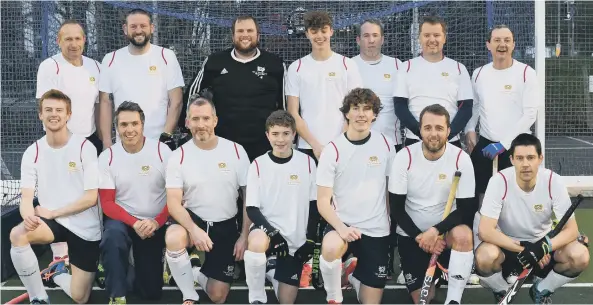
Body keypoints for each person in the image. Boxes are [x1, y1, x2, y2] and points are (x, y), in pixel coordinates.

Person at [475, 133, 590, 304]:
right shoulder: (499, 181)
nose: (526, 164)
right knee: (484, 257)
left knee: (580, 255)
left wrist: (543, 248)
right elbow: (485, 230)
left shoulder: (553, 181)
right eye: (520, 158)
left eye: (531, 157)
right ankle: (502, 290)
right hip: (509, 247)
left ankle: (542, 289)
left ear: (540, 158)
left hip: (543, 249)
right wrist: (524, 248)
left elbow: (572, 230)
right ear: (512, 159)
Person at [10, 89, 100, 304]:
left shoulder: (85, 148)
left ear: (68, 115)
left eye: (59, 110)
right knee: (17, 234)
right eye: (48, 109)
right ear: (40, 114)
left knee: (80, 297)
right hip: (51, 223)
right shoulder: (33, 152)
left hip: (84, 226)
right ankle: (38, 298)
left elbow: (91, 198)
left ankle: (57, 273)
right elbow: (25, 199)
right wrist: (28, 216)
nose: (54, 114)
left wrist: (53, 212)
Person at [164, 92, 251, 305]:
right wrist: (194, 230)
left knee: (218, 295)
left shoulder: (236, 151)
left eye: (205, 118)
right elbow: (173, 203)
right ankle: (189, 295)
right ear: (187, 122)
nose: (201, 124)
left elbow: (250, 198)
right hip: (193, 222)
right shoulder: (178, 156)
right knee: (174, 236)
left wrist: (244, 236)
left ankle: (192, 271)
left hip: (226, 225)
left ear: (215, 120)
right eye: (195, 119)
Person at [388, 104, 476, 304]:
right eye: (428, 128)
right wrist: (421, 237)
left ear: (448, 131)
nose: (433, 134)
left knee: (463, 234)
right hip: (412, 237)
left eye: (439, 128)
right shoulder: (404, 158)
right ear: (420, 130)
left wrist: (436, 231)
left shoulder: (461, 159)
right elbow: (396, 209)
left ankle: (454, 300)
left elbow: (466, 210)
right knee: (424, 300)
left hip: (446, 237)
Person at [35, 19, 102, 265]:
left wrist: (103, 140)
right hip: (61, 143)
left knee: (91, 197)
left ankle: (94, 248)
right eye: (68, 39)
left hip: (91, 141)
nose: (73, 44)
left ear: (85, 40)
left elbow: (99, 106)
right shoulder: (49, 67)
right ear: (58, 41)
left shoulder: (96, 66)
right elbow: (46, 108)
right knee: (56, 195)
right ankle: (59, 259)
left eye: (78, 38)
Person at [316, 88, 392, 304]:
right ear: (346, 114)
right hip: (343, 227)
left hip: (377, 231)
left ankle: (354, 277)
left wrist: (389, 226)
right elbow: (323, 202)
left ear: (375, 115)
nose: (361, 114)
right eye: (355, 108)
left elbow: (389, 192)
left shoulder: (386, 145)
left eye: (367, 109)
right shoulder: (333, 150)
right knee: (331, 247)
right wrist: (341, 228)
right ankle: (334, 297)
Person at [181, 15, 286, 162]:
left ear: (258, 35)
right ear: (233, 36)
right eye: (240, 31)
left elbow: (284, 104)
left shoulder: (275, 64)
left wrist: (285, 136)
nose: (245, 35)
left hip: (264, 144)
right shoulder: (215, 61)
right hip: (224, 143)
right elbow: (192, 94)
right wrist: (186, 127)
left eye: (250, 30)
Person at [98, 101, 172, 304]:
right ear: (116, 127)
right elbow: (107, 203)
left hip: (154, 223)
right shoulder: (107, 157)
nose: (129, 130)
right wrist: (134, 223)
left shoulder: (162, 152)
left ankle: (133, 264)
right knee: (112, 237)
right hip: (123, 221)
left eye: (134, 123)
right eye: (123, 125)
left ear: (143, 124)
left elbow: (175, 197)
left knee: (150, 292)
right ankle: (117, 295)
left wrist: (156, 222)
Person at [244, 110, 317, 304]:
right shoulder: (258, 164)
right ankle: (257, 298)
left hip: (294, 240)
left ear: (294, 134)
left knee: (286, 300)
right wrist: (273, 234)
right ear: (267, 135)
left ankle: (272, 269)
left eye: (286, 133)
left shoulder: (308, 163)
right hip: (267, 232)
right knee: (257, 243)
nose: (280, 139)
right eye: (275, 134)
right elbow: (252, 208)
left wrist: (310, 240)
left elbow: (314, 206)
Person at [352, 17, 404, 284]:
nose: (371, 40)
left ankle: (389, 257)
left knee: (390, 202)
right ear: (358, 40)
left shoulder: (397, 66)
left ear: (382, 39)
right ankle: (356, 256)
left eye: (375, 35)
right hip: (358, 147)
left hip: (390, 146)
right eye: (366, 36)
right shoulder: (348, 66)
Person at [465, 25, 539, 202]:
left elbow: (530, 114)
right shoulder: (479, 73)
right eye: (497, 40)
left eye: (507, 40)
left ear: (513, 44)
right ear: (488, 45)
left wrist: (503, 144)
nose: (502, 45)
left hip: (517, 146)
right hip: (485, 145)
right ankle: (482, 229)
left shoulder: (526, 73)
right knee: (482, 194)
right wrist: (469, 130)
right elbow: (474, 107)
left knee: (515, 197)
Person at [99, 8, 184, 151]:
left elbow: (176, 101)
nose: (138, 30)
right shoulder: (110, 59)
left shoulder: (166, 56)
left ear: (151, 28)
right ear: (125, 29)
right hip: (124, 144)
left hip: (158, 143)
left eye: (143, 26)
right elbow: (105, 102)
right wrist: (107, 141)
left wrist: (166, 135)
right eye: (133, 26)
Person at [285, 10, 363, 162]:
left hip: (343, 145)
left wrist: (339, 143)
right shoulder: (296, 67)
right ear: (307, 34)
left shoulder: (347, 65)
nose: (319, 36)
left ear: (331, 31)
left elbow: (356, 106)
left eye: (324, 31)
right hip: (308, 147)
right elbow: (293, 112)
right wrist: (315, 145)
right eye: (314, 32)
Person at [394, 16, 473, 148]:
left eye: (436, 35)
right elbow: (400, 106)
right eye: (426, 35)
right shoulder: (406, 67)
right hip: (415, 141)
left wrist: (447, 134)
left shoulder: (459, 68)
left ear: (444, 38)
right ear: (419, 38)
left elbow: (466, 108)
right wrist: (421, 133)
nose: (432, 39)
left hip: (450, 142)